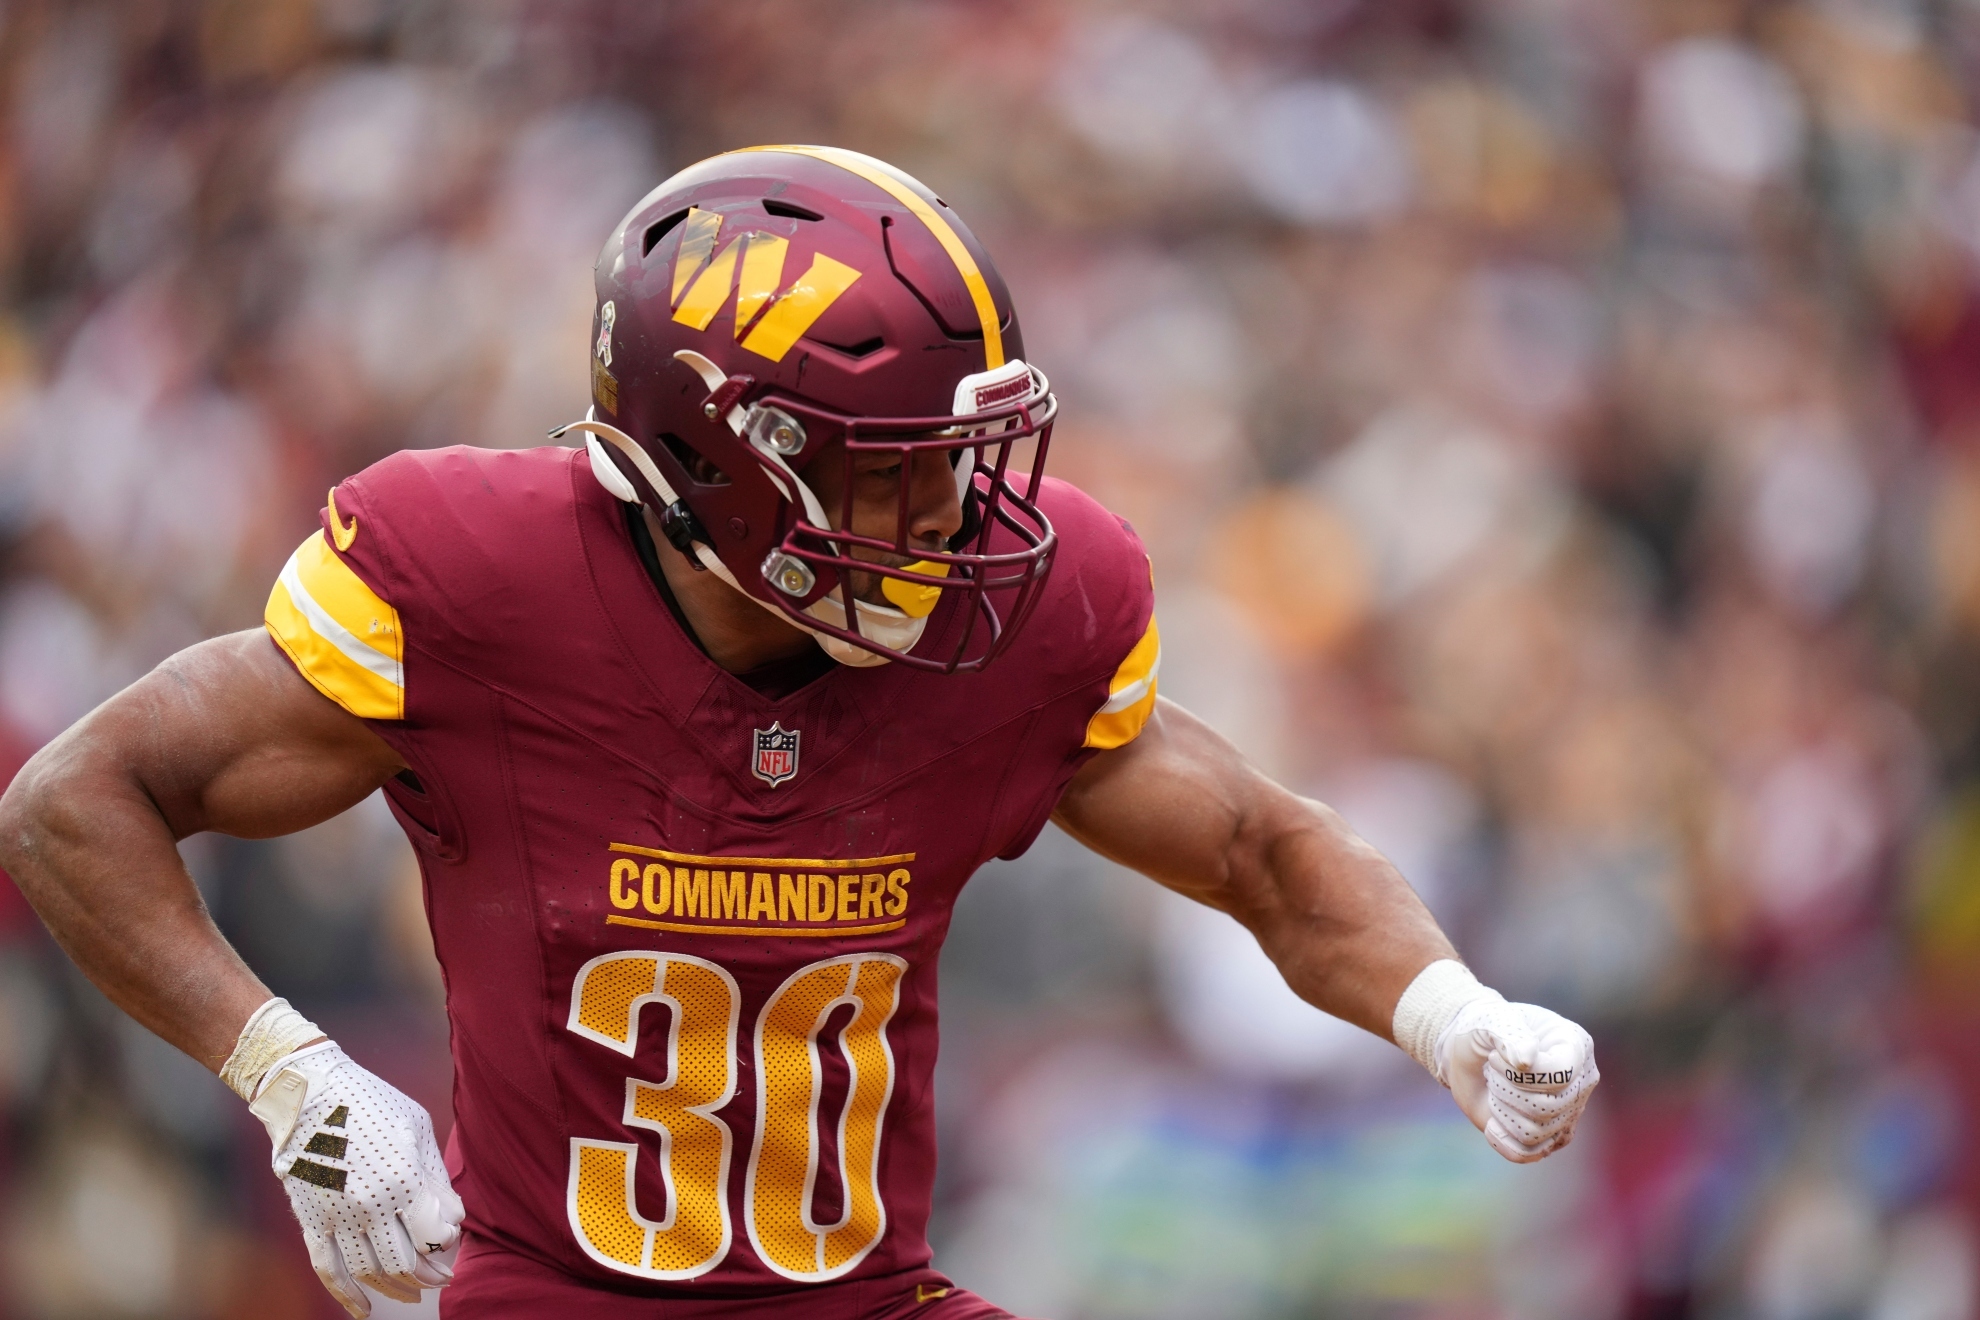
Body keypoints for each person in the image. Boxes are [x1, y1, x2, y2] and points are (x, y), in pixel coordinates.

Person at [0, 146, 1597, 1319]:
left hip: (870, 1297)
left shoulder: (1022, 622)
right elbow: (76, 801)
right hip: (562, 1299)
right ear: (720, 458)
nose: (955, 517)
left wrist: (1449, 1012)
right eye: (890, 469)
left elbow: (1261, 847)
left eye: (959, 461)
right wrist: (292, 1078)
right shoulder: (477, 583)